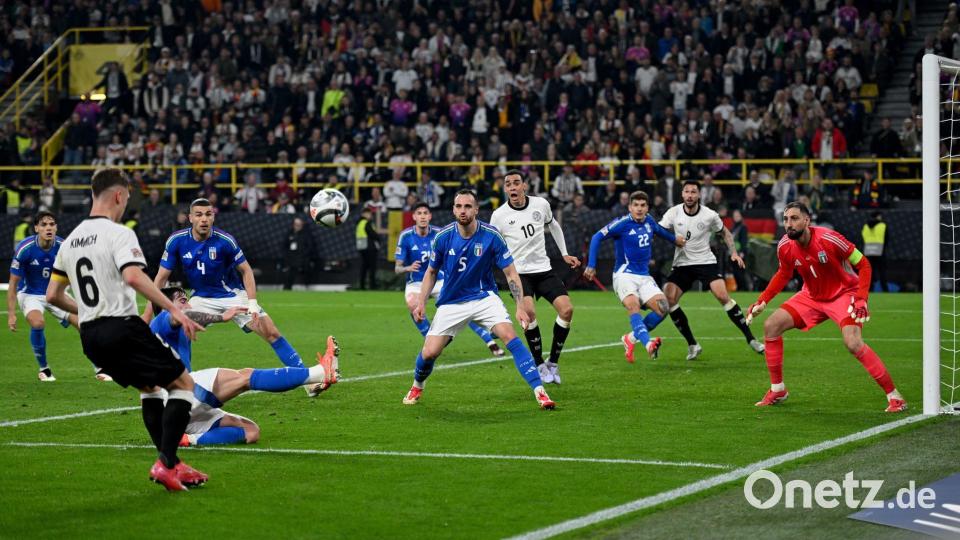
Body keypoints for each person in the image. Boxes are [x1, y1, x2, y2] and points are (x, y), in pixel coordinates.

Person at [45, 167, 207, 491]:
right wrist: (174, 308)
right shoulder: (119, 233)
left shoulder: (70, 241)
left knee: (150, 389)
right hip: (121, 327)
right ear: (119, 195)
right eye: (128, 198)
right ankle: (166, 463)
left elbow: (52, 296)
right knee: (183, 384)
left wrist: (88, 311)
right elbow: (133, 276)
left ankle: (172, 464)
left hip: (90, 337)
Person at [401, 189, 557, 410]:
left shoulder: (492, 236)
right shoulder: (443, 237)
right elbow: (431, 272)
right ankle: (417, 385)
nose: (463, 210)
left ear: (476, 209)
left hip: (484, 298)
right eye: (458, 206)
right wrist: (421, 302)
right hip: (452, 301)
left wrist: (520, 306)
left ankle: (540, 392)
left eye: (467, 206)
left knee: (510, 336)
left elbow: (511, 273)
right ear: (453, 210)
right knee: (430, 352)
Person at [745, 202, 907, 412]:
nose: (788, 224)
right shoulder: (784, 245)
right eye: (785, 219)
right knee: (771, 326)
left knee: (853, 342)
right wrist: (762, 300)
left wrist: (861, 299)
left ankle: (895, 397)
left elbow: (864, 264)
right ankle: (778, 390)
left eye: (794, 218)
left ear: (807, 220)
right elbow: (784, 273)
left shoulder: (829, 238)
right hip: (811, 296)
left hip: (844, 294)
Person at [153, 198, 314, 393]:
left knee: (271, 332)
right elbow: (160, 279)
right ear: (190, 218)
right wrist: (150, 316)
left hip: (232, 295)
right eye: (199, 214)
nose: (204, 219)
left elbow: (246, 271)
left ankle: (309, 380)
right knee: (178, 328)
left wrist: (252, 303)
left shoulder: (225, 241)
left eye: (208, 214)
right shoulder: (176, 241)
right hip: (201, 298)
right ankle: (183, 385)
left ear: (213, 217)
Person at [147, 287, 339, 446]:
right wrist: (221, 317)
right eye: (182, 300)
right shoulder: (162, 320)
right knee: (245, 377)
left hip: (177, 407)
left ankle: (187, 439)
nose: (188, 305)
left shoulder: (173, 331)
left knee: (250, 431)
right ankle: (320, 372)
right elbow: (182, 314)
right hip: (173, 394)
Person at [490, 170, 580, 384]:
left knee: (567, 310)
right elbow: (493, 244)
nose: (512, 187)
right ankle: (539, 363)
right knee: (528, 314)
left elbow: (554, 225)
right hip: (519, 274)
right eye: (508, 184)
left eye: (516, 183)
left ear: (524, 186)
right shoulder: (499, 216)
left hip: (544, 270)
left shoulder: (541, 204)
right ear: (505, 189)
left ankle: (553, 362)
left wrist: (564, 253)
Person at [658, 180, 764, 360]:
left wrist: (734, 253)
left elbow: (725, 233)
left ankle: (751, 339)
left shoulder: (709, 215)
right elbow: (659, 230)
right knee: (669, 299)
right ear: (682, 194)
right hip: (682, 263)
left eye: (693, 192)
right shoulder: (673, 212)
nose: (690, 195)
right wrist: (672, 238)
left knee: (722, 296)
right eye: (687, 192)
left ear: (699, 195)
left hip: (705, 262)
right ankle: (693, 345)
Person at [7, 211, 110, 382]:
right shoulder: (25, 249)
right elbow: (12, 284)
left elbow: (75, 275)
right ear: (36, 228)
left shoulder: (64, 247)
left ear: (56, 228)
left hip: (56, 294)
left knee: (84, 324)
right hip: (30, 294)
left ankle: (99, 367)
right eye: (44, 225)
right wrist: (11, 314)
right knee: (38, 323)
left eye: (52, 224)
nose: (48, 228)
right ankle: (44, 369)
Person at [584, 191, 685, 362]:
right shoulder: (622, 223)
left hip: (644, 277)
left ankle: (630, 338)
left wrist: (675, 239)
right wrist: (591, 265)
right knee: (634, 305)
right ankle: (648, 344)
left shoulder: (649, 221)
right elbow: (596, 237)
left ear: (647, 208)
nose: (639, 209)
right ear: (630, 207)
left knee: (663, 308)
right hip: (624, 275)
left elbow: (660, 231)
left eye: (643, 205)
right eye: (636, 205)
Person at [395, 202, 505, 357]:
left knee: (465, 304)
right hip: (416, 283)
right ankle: (430, 341)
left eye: (425, 213)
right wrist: (407, 268)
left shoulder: (440, 233)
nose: (422, 216)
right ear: (414, 217)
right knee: (413, 305)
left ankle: (490, 342)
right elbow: (397, 268)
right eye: (419, 213)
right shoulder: (406, 236)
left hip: (440, 280)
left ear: (430, 216)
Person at [282, 217, 315, 290]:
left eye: (299, 224)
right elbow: (284, 246)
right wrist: (287, 255)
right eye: (296, 224)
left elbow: (310, 247)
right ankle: (287, 288)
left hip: (302, 258)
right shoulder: (289, 233)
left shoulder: (306, 235)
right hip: (291, 258)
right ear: (293, 224)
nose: (297, 226)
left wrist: (303, 255)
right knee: (289, 272)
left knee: (305, 269)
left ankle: (306, 287)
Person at [861, 211, 888, 292]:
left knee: (869, 271)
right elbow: (887, 239)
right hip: (880, 251)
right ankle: (885, 289)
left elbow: (862, 238)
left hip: (868, 251)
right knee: (882, 271)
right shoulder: (883, 225)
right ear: (878, 216)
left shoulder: (865, 226)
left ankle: (870, 289)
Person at [356, 207, 380, 289]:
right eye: (369, 214)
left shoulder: (359, 223)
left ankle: (362, 285)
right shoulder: (366, 223)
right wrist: (378, 238)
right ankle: (372, 285)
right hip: (370, 247)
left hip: (362, 247)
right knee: (372, 267)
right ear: (365, 214)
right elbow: (373, 234)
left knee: (364, 267)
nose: (371, 216)